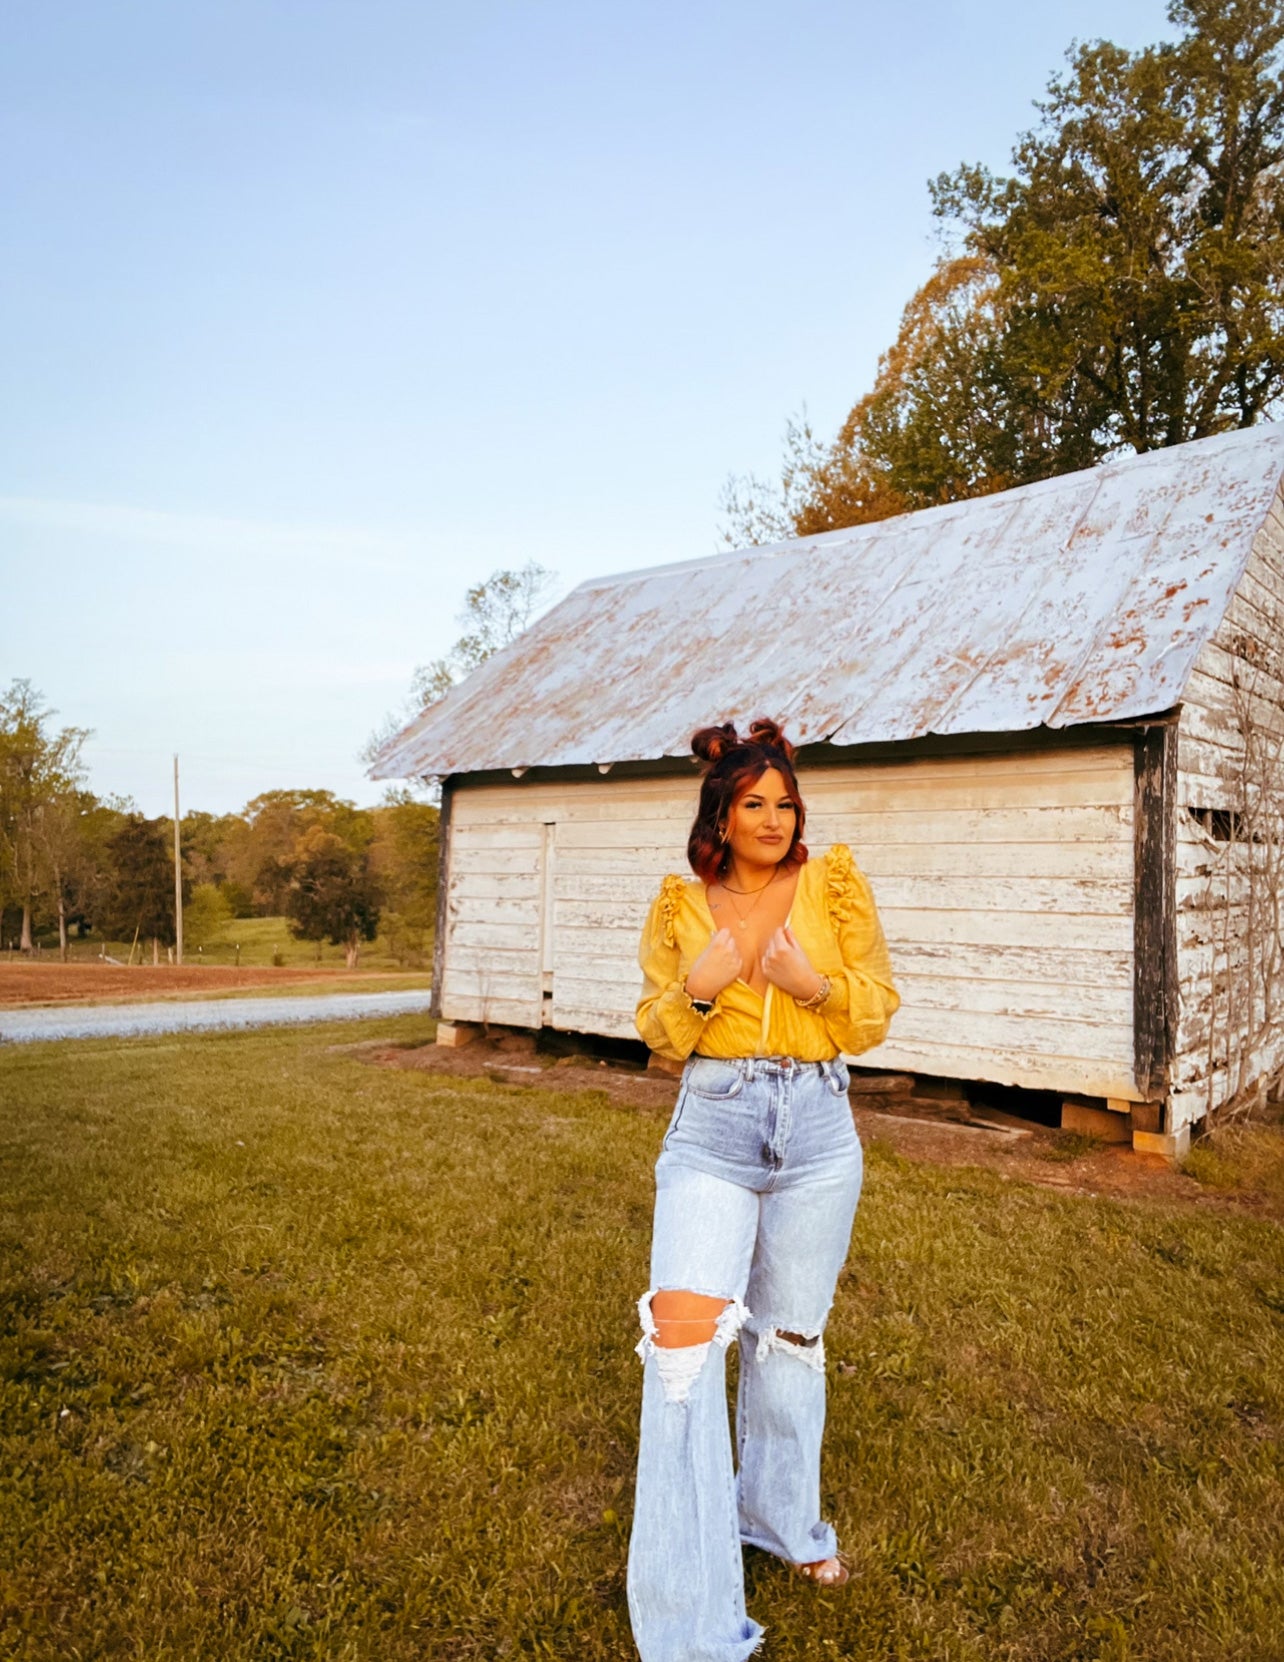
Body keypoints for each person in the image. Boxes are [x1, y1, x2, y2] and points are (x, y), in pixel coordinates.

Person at [627, 717, 900, 1662]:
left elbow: (875, 1012)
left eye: (787, 803)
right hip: (715, 1124)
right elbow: (660, 1035)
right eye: (756, 803)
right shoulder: (680, 904)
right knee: (685, 1352)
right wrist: (701, 987)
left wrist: (811, 985)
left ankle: (785, 1527)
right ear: (722, 813)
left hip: (820, 1128)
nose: (776, 818)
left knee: (790, 1342)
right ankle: (689, 1619)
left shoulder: (832, 885)